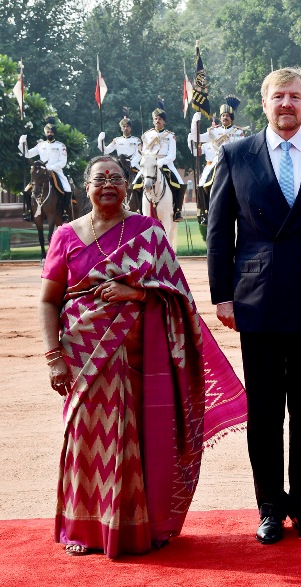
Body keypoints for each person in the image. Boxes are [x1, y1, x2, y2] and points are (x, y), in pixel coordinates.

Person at [39, 155, 246, 558]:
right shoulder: (65, 235)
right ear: (87, 186)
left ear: (127, 185)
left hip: (142, 358)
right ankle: (85, 529)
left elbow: (179, 295)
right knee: (87, 438)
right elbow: (48, 300)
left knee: (142, 438)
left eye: (116, 177)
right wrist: (53, 356)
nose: (108, 184)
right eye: (99, 178)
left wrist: (133, 293)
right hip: (83, 355)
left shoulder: (147, 232)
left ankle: (142, 527)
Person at [206, 67, 301, 545]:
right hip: (256, 301)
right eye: (279, 97)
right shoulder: (235, 154)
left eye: (295, 97)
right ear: (265, 102)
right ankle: (270, 506)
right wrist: (222, 294)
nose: (287, 104)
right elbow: (218, 233)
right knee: (267, 410)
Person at [189, 96, 247, 224]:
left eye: (227, 115)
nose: (224, 118)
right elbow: (196, 137)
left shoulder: (239, 132)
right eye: (222, 116)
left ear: (231, 117)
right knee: (201, 183)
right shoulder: (214, 132)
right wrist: (195, 119)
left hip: (235, 163)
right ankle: (205, 213)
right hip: (217, 162)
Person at [132, 101, 186, 220]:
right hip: (150, 164)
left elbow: (172, 155)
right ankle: (138, 210)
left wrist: (160, 162)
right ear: (153, 120)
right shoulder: (147, 135)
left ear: (164, 121)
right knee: (135, 184)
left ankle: (177, 210)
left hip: (165, 163)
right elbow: (144, 153)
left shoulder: (170, 136)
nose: (158, 121)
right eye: (156, 119)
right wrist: (149, 162)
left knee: (180, 184)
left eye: (160, 119)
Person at [19, 117, 72, 222]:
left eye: (51, 131)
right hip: (41, 173)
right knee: (26, 190)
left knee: (68, 189)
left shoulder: (60, 146)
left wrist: (50, 167)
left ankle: (65, 212)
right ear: (45, 133)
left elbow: (63, 162)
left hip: (56, 171)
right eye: (48, 131)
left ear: (54, 133)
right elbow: (27, 154)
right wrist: (22, 143)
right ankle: (29, 212)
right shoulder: (41, 145)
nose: (49, 133)